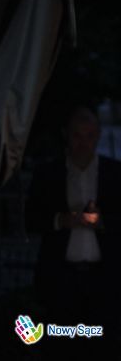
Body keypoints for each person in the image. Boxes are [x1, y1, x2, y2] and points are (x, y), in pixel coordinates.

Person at [25, 104, 120, 358]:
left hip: (104, 280)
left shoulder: (115, 173)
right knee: (62, 348)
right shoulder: (48, 173)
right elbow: (30, 219)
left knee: (103, 348)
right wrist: (61, 220)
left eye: (89, 136)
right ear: (66, 134)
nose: (83, 143)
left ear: (98, 136)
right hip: (60, 279)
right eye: (77, 135)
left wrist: (102, 222)